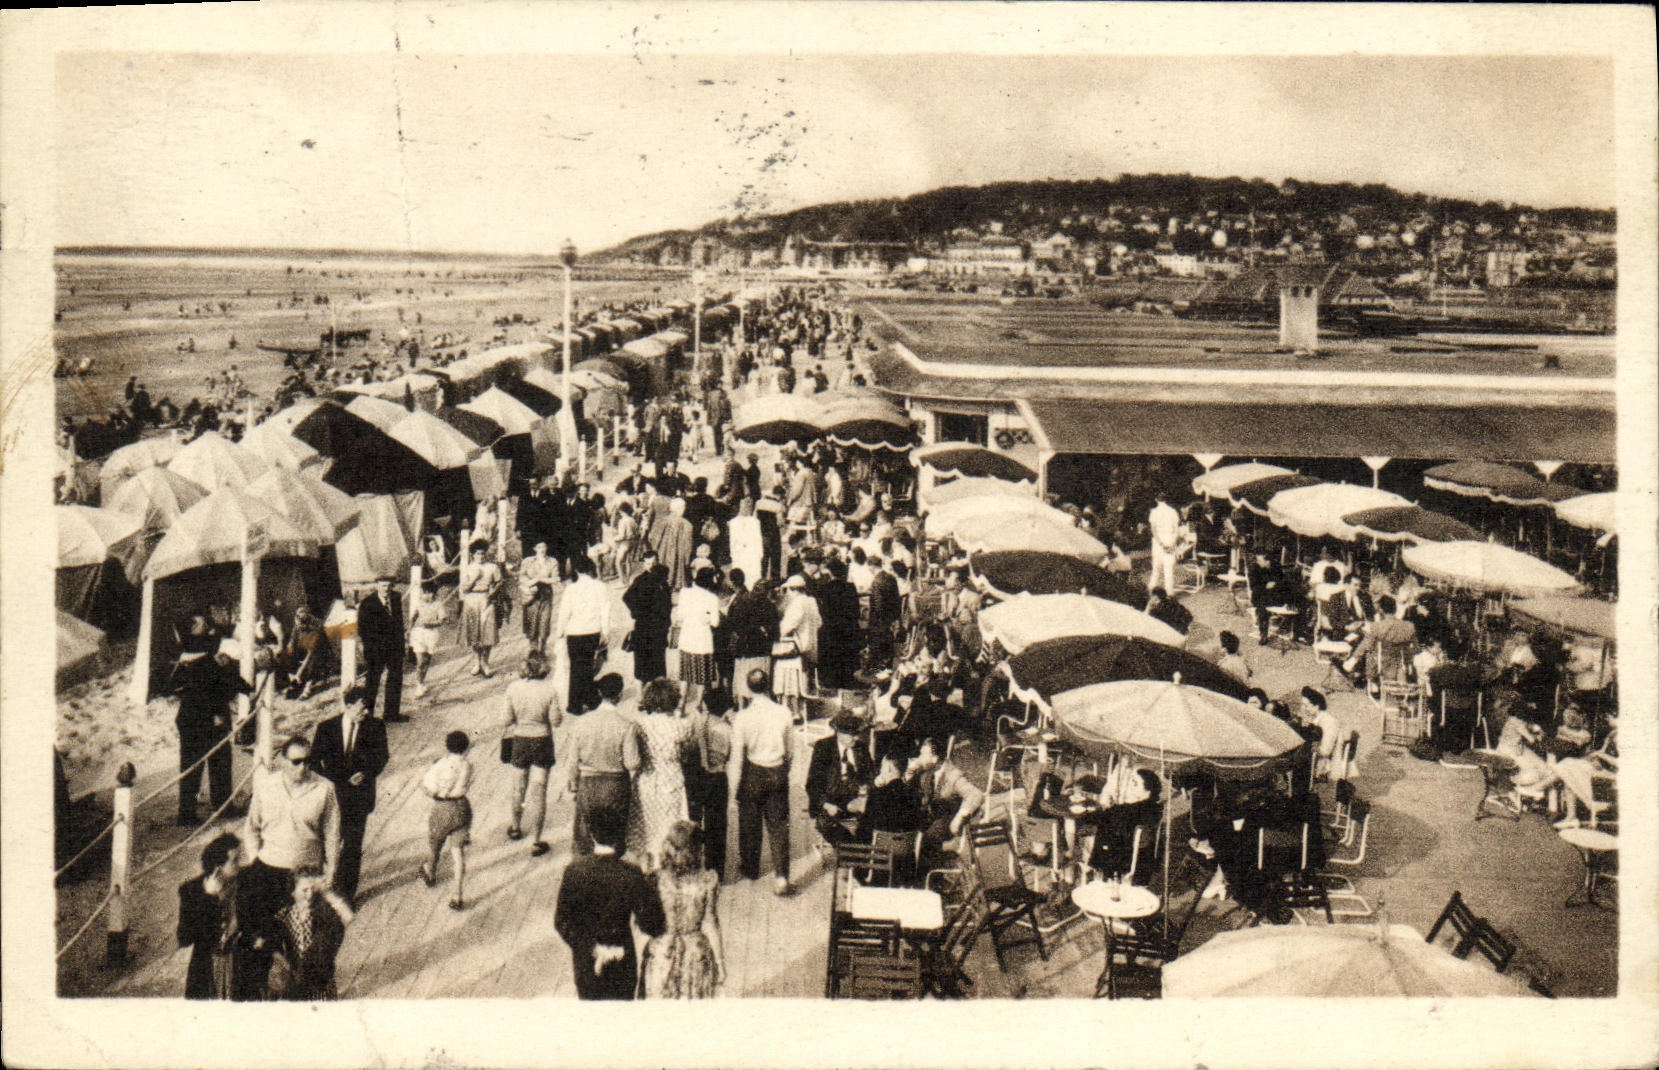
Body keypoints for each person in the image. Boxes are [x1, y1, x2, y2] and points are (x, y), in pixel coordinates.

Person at [240, 736, 342, 999]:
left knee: (304, 942)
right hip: (268, 871)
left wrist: (329, 873)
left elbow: (332, 834)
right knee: (265, 937)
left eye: (308, 761)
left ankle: (306, 996)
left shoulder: (324, 789)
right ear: (282, 761)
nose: (303, 768)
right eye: (296, 762)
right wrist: (254, 862)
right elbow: (251, 828)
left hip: (305, 876)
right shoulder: (266, 786)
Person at [553, 809, 666, 1000]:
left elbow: (562, 922)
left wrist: (590, 947)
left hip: (586, 963)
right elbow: (652, 923)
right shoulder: (630, 872)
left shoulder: (574, 871)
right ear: (619, 835)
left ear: (591, 834)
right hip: (622, 958)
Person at [307, 687, 390, 903]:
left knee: (352, 845)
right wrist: (341, 777)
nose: (365, 714)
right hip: (333, 794)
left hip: (360, 797)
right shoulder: (327, 728)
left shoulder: (376, 726)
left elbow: (382, 757)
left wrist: (366, 773)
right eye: (362, 709)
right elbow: (314, 761)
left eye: (368, 709)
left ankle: (345, 894)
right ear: (348, 706)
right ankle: (322, 883)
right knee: (326, 840)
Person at [640, 819, 727, 998]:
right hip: (696, 956)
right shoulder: (707, 881)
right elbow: (711, 923)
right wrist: (720, 961)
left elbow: (643, 926)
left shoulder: (654, 879)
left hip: (661, 954)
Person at [728, 668, 795, 894]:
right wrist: (784, 771)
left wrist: (732, 793)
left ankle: (750, 869)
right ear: (768, 686)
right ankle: (781, 877)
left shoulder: (742, 717)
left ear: (748, 688)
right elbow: (791, 751)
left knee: (750, 824)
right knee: (779, 827)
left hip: (753, 772)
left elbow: (736, 759)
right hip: (777, 769)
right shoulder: (784, 712)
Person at [169, 641, 250, 826]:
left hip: (213, 724)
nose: (232, 664)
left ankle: (223, 806)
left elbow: (234, 681)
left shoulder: (224, 666)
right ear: (222, 656)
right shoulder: (201, 667)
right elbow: (201, 697)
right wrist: (215, 715)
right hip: (194, 724)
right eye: (230, 660)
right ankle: (186, 815)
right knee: (192, 768)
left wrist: (248, 689)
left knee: (222, 761)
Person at [567, 673, 643, 856]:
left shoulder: (581, 722)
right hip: (615, 785)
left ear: (600, 693)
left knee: (584, 838)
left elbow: (572, 760)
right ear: (620, 695)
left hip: (588, 783)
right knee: (615, 837)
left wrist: (573, 784)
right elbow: (632, 762)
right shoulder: (626, 725)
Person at [498, 651, 562, 857]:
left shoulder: (513, 688)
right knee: (539, 790)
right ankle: (536, 840)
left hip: (520, 740)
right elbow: (556, 720)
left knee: (518, 787)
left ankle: (515, 827)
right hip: (542, 740)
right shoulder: (550, 690)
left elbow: (506, 720)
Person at [627, 678, 695, 862]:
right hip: (671, 778)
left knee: (645, 829)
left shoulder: (640, 725)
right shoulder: (681, 726)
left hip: (646, 778)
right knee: (670, 829)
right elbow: (687, 753)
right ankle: (668, 866)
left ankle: (646, 868)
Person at [271, 864, 354, 1000]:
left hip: (321, 985)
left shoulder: (322, 913)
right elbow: (273, 945)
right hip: (296, 985)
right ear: (293, 892)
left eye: (312, 890)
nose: (309, 895)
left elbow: (348, 917)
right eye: (304, 890)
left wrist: (327, 893)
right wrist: (287, 968)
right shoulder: (284, 916)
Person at [177, 832, 243, 1000]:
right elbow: (185, 938)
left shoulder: (245, 884)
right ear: (218, 866)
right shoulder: (192, 890)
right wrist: (209, 898)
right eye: (235, 860)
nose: (240, 864)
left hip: (239, 965)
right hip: (206, 970)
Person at [909, 735, 985, 873]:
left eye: (922, 754)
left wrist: (960, 817)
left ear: (934, 758)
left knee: (926, 840)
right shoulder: (925, 773)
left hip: (946, 822)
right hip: (929, 819)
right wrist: (909, 773)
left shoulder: (952, 775)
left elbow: (976, 795)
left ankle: (927, 878)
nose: (919, 758)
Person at [419, 729, 474, 911]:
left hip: (442, 809)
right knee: (458, 853)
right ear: (466, 748)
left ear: (447, 747)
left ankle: (431, 871)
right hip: (462, 808)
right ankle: (457, 894)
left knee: (435, 845)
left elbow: (428, 787)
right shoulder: (468, 766)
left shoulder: (441, 765)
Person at [806, 713, 873, 851]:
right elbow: (813, 783)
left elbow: (871, 774)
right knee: (825, 823)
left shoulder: (860, 748)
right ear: (839, 734)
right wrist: (826, 804)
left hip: (855, 797)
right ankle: (854, 852)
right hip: (830, 799)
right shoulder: (823, 748)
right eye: (851, 735)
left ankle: (858, 853)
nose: (856, 738)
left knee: (874, 817)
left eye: (857, 734)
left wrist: (866, 788)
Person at [558, 555, 614, 716]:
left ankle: (574, 704)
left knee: (576, 667)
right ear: (590, 568)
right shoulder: (600, 586)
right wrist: (605, 631)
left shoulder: (571, 589)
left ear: (576, 570)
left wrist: (560, 631)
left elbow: (564, 612)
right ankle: (590, 699)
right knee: (589, 665)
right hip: (593, 631)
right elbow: (606, 610)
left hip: (574, 632)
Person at [724, 570, 778, 705]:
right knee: (759, 682)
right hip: (761, 650)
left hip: (743, 648)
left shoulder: (742, 601)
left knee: (742, 680)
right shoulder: (769, 606)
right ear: (768, 592)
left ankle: (741, 708)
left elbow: (734, 622)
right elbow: (774, 631)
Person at [356, 579, 406, 722]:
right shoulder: (367, 603)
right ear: (377, 586)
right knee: (372, 682)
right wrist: (370, 650)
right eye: (383, 586)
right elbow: (363, 630)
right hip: (376, 650)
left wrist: (401, 647)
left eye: (389, 586)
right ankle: (367, 716)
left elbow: (399, 623)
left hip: (394, 647)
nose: (386, 589)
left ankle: (391, 714)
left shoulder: (396, 597)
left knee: (395, 679)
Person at [676, 568, 725, 714]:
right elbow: (715, 622)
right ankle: (698, 704)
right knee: (701, 675)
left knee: (685, 673)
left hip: (686, 638)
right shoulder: (712, 598)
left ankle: (682, 703)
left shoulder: (684, 593)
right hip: (703, 640)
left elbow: (679, 616)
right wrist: (706, 617)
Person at [774, 574, 822, 716]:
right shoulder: (811, 601)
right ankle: (801, 711)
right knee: (803, 682)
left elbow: (786, 627)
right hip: (810, 647)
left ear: (793, 589)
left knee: (790, 684)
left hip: (796, 649)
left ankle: (792, 712)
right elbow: (819, 623)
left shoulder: (797, 604)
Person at [623, 551, 673, 684]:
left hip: (658, 629)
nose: (650, 566)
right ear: (644, 564)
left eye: (653, 563)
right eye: (648, 563)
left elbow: (668, 604)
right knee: (644, 662)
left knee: (658, 661)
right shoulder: (640, 580)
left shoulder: (663, 580)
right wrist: (637, 613)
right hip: (645, 627)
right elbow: (627, 597)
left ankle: (658, 693)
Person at [815, 558, 863, 692]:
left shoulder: (824, 589)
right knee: (848, 666)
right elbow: (856, 612)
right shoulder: (850, 588)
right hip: (849, 631)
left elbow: (822, 613)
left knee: (833, 666)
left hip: (832, 633)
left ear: (830, 573)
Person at [458, 541, 502, 678]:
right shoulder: (468, 568)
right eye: (477, 553)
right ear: (472, 555)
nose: (481, 556)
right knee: (474, 632)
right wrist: (474, 578)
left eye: (483, 553)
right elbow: (464, 588)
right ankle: (477, 662)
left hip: (486, 599)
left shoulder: (492, 567)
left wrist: (492, 592)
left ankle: (485, 662)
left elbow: (500, 581)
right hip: (471, 600)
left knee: (487, 632)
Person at [408, 583, 447, 699]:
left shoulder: (438, 605)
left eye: (430, 593)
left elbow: (441, 620)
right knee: (420, 661)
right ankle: (419, 685)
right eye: (425, 593)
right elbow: (413, 617)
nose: (427, 596)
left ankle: (422, 682)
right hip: (419, 633)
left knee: (426, 661)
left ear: (434, 594)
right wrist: (410, 628)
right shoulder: (419, 604)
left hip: (432, 634)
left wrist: (431, 623)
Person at [520, 541, 560, 653]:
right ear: (534, 549)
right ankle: (533, 649)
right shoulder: (527, 561)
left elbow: (556, 579)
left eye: (544, 546)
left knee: (544, 623)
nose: (542, 549)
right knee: (532, 622)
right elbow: (522, 576)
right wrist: (530, 583)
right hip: (531, 596)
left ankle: (542, 649)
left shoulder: (552, 562)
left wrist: (539, 579)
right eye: (539, 547)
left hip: (546, 595)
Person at [1147, 491, 1182, 595]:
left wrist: (1161, 544)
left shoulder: (1154, 512)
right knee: (1169, 570)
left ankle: (1150, 593)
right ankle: (1169, 594)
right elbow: (1176, 530)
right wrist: (1172, 543)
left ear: (1156, 500)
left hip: (1159, 542)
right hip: (1170, 539)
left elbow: (1153, 530)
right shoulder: (1173, 511)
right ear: (1166, 499)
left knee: (1156, 569)